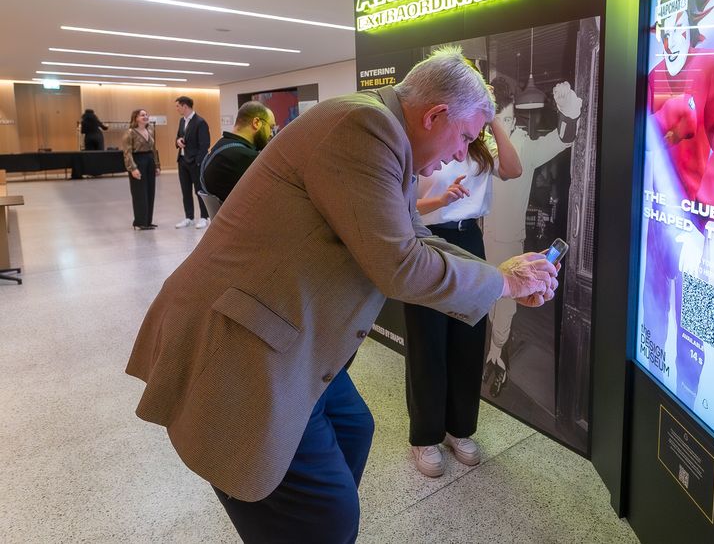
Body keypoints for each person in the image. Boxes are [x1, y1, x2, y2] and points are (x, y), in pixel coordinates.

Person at [125, 46, 558, 544]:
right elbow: (401, 266)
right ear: (435, 114)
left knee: (353, 430)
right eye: (463, 136)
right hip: (243, 339)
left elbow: (415, 236)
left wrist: (494, 273)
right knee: (325, 514)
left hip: (284, 328)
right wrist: (504, 283)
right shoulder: (365, 128)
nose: (462, 154)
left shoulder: (381, 132)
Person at [404, 90, 523, 478]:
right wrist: (439, 201)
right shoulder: (422, 143)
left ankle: (460, 429)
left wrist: (493, 123)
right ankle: (425, 436)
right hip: (425, 238)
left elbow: (514, 169)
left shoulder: (477, 147)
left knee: (468, 338)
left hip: (469, 238)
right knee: (428, 341)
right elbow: (400, 207)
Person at [643, 0, 714, 405]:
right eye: (664, 28)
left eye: (677, 25)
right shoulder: (652, 76)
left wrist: (703, 211)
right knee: (652, 309)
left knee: (696, 324)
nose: (670, 36)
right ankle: (651, 385)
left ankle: (689, 399)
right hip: (656, 217)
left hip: (699, 225)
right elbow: (649, 142)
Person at [481, 74, 582, 397]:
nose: (506, 126)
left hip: (510, 241)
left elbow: (561, 139)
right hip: (479, 238)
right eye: (500, 120)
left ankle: (498, 356)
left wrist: (569, 115)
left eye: (510, 119)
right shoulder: (479, 145)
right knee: (486, 300)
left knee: (506, 305)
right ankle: (492, 351)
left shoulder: (523, 147)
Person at [199, 101, 276, 203]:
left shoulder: (220, 146)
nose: (271, 134)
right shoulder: (245, 157)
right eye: (271, 127)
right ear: (256, 123)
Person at [173, 95, 211, 230]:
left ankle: (204, 217)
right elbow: (178, 136)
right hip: (182, 161)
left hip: (195, 162)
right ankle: (189, 217)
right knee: (185, 190)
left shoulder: (200, 122)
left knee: (199, 190)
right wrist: (178, 141)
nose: (176, 109)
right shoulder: (182, 121)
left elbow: (205, 144)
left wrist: (198, 162)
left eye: (178, 106)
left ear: (185, 106)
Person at [121, 108, 161, 231]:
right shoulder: (130, 133)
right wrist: (133, 168)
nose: (145, 117)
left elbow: (154, 149)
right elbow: (127, 153)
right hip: (138, 161)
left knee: (150, 191)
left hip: (149, 160)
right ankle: (139, 222)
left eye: (146, 115)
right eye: (142, 115)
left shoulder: (150, 129)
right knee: (139, 192)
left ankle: (148, 221)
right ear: (136, 118)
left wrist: (157, 165)